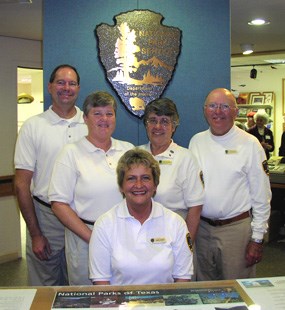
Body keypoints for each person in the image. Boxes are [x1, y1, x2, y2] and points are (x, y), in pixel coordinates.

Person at [48, 91, 134, 285]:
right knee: (90, 299)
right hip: (85, 238)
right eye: (97, 114)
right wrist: (95, 239)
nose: (104, 119)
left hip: (124, 237)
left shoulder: (128, 150)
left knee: (124, 294)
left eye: (109, 113)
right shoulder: (70, 153)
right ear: (85, 118)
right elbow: (58, 204)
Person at [14, 64, 87, 286]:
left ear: (78, 88)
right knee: (45, 285)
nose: (66, 87)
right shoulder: (33, 127)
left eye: (72, 83)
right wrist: (36, 233)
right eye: (61, 82)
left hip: (82, 215)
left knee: (82, 285)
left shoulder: (91, 124)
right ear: (50, 86)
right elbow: (21, 184)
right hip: (46, 219)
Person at [188, 88, 271, 281]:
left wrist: (257, 239)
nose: (218, 111)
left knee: (237, 292)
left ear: (235, 111)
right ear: (204, 110)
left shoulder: (250, 144)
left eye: (225, 106)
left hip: (236, 231)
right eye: (213, 106)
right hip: (202, 230)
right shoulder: (196, 142)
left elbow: (262, 196)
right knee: (204, 291)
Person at [89, 148, 193, 285]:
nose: (139, 185)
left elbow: (183, 278)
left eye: (145, 178)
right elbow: (101, 281)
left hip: (164, 304)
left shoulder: (176, 223)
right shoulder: (104, 224)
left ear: (155, 185)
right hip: (120, 304)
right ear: (121, 186)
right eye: (131, 178)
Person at [139, 98, 204, 243]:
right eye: (152, 120)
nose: (157, 126)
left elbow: (195, 207)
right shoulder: (136, 155)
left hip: (173, 237)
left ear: (173, 127)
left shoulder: (186, 158)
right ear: (146, 125)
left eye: (164, 121)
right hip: (138, 235)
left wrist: (186, 245)